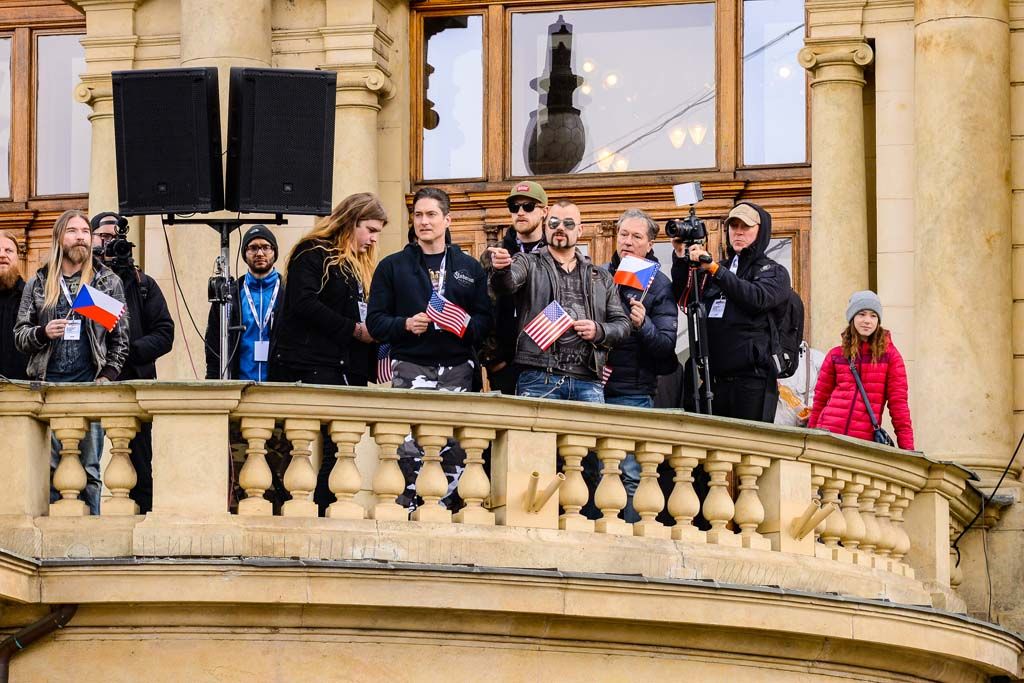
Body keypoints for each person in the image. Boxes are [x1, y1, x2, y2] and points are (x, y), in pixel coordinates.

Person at [367, 187, 491, 510]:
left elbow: (485, 325)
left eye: (431, 214)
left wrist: (463, 325)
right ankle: (408, 523)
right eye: (418, 215)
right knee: (409, 457)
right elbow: (376, 323)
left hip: (458, 373)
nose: (424, 222)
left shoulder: (469, 268)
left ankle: (449, 526)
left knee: (455, 457)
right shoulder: (391, 267)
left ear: (447, 219)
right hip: (410, 369)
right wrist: (405, 325)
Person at [14, 209, 130, 515]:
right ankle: (52, 531)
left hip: (88, 387)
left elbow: (121, 339)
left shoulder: (106, 282)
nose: (80, 236)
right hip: (48, 388)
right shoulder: (38, 282)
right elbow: (20, 335)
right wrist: (42, 332)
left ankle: (89, 531)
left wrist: (106, 377)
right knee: (49, 469)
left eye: (84, 232)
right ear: (58, 238)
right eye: (72, 231)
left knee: (90, 469)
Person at [490, 199, 631, 402]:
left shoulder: (600, 276)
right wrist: (501, 269)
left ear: (580, 230)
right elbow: (505, 285)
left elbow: (623, 325)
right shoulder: (528, 262)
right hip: (539, 377)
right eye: (554, 223)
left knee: (587, 436)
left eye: (569, 224)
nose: (560, 228)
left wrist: (598, 330)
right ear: (546, 227)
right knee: (537, 436)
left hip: (588, 380)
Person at [674, 202, 790, 422]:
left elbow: (757, 298)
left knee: (748, 453)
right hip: (713, 381)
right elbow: (684, 296)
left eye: (745, 227)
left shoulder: (774, 271)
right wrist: (680, 257)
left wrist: (716, 270)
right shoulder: (717, 269)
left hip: (752, 382)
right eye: (733, 226)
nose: (738, 232)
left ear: (761, 230)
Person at [91, 211, 175, 514]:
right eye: (103, 236)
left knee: (141, 464)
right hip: (94, 382)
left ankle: (143, 521)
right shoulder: (85, 283)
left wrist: (128, 353)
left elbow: (165, 334)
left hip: (136, 384)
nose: (110, 243)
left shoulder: (143, 283)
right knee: (87, 460)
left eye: (115, 237)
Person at [602, 209, 678, 522]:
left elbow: (665, 349)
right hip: (594, 388)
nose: (628, 242)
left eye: (636, 237)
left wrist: (643, 323)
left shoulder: (659, 285)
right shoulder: (599, 275)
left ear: (649, 245)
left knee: (630, 474)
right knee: (595, 471)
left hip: (634, 392)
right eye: (623, 234)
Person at [270, 192, 384, 386]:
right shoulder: (312, 251)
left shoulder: (359, 264)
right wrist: (355, 330)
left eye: (377, 233)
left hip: (349, 368)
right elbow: (303, 303)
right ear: (351, 221)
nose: (374, 239)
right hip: (312, 367)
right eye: (370, 230)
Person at [808, 291, 914, 449]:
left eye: (873, 316)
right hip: (828, 436)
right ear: (852, 318)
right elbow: (820, 401)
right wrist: (810, 438)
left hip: (861, 444)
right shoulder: (836, 355)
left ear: (878, 320)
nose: (867, 321)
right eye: (861, 314)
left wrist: (909, 452)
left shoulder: (890, 357)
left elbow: (899, 407)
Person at [479, 181, 548, 394]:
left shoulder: (554, 253)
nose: (520, 212)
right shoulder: (493, 254)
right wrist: (493, 359)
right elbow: (481, 306)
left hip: (545, 365)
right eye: (514, 207)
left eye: (528, 207)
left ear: (544, 211)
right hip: (504, 366)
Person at [205, 225, 283, 381]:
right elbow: (213, 342)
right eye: (253, 248)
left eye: (265, 247)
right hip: (240, 386)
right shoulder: (230, 294)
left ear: (274, 252)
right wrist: (213, 381)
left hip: (279, 388)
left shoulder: (288, 292)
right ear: (244, 254)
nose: (260, 253)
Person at [0, 230, 29, 381]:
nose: (2, 255)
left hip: (24, 389)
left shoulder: (34, 296)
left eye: (8, 250)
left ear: (17, 257)